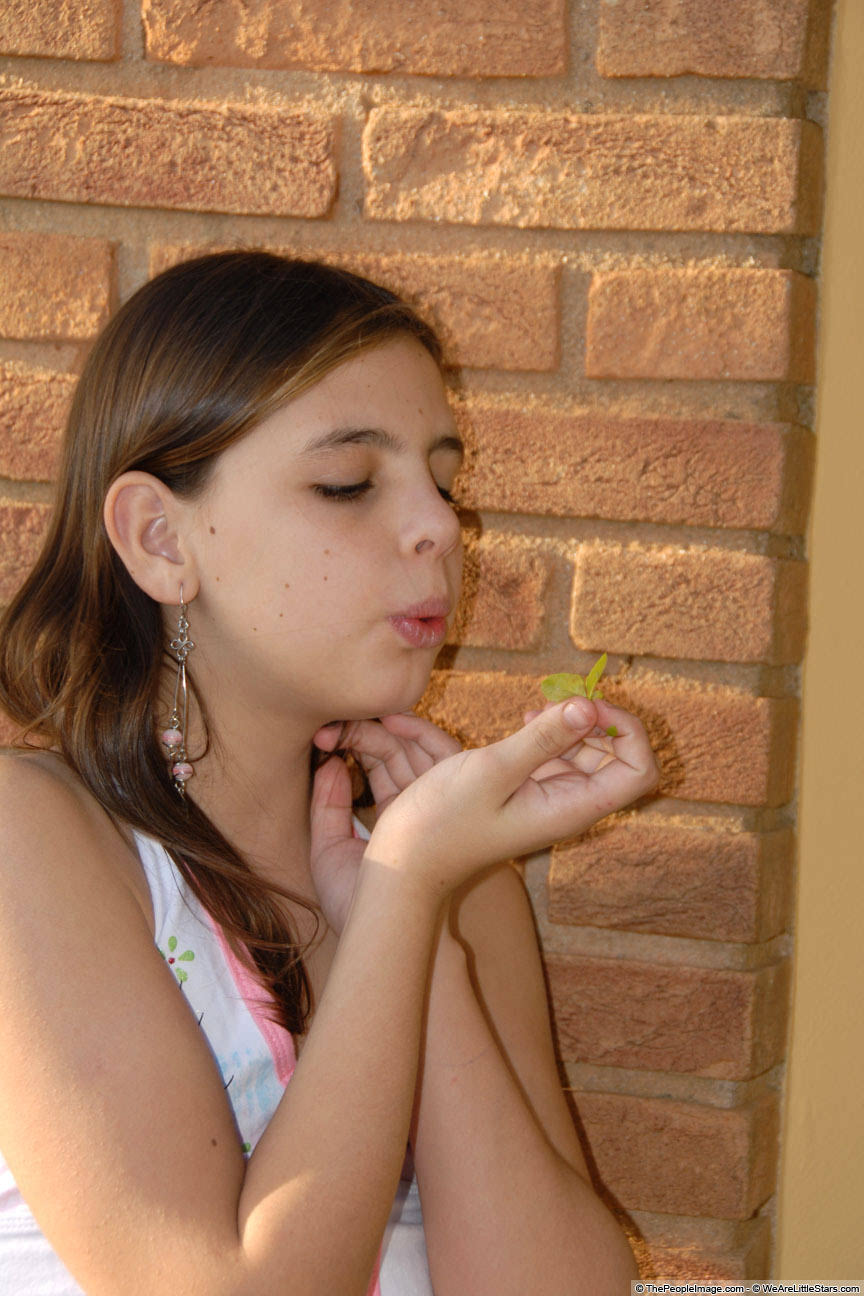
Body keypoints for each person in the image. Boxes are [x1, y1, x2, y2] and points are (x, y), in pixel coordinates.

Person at [0, 251, 657, 1295]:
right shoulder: (34, 839)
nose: (439, 527)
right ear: (161, 539)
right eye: (348, 484)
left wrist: (414, 907)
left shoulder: (450, 871)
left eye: (443, 481)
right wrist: (402, 893)